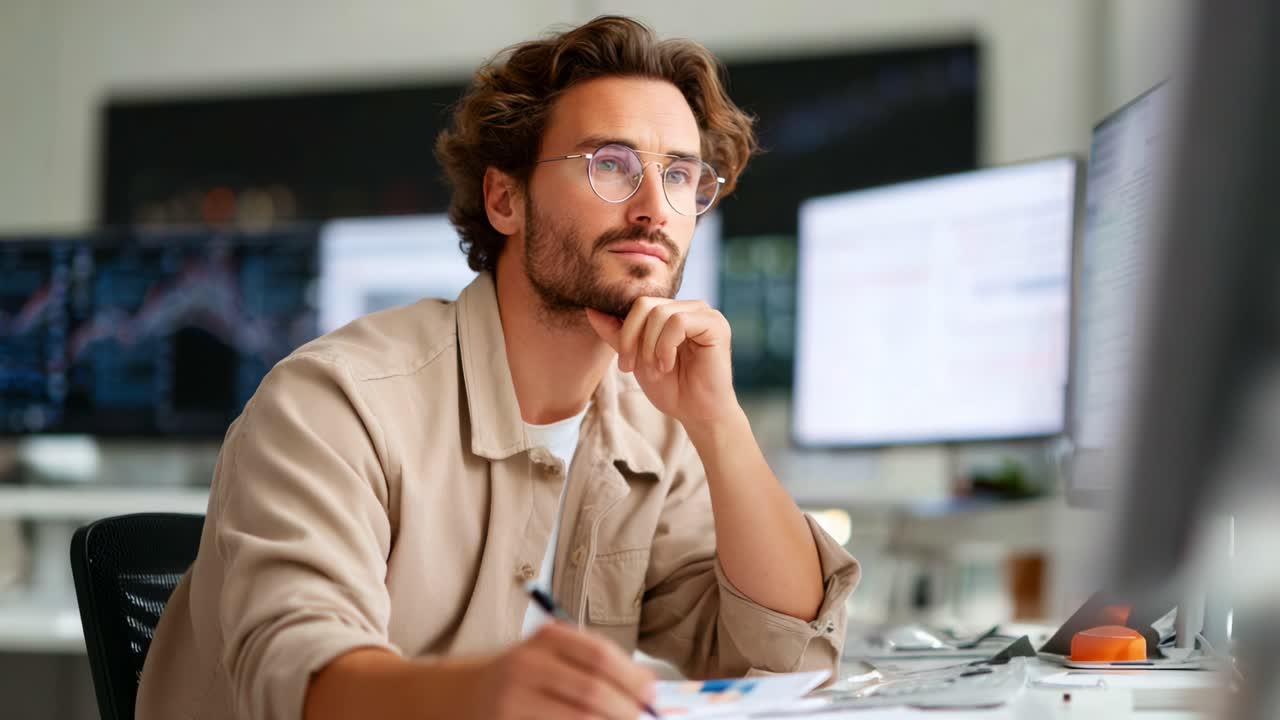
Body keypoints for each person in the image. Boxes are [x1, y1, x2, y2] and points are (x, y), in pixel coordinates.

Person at [137, 15, 859, 720]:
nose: (654, 208)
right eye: (611, 164)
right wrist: (482, 696)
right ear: (505, 198)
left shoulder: (654, 430)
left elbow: (787, 659)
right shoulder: (334, 405)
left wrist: (718, 421)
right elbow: (300, 685)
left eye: (681, 175)